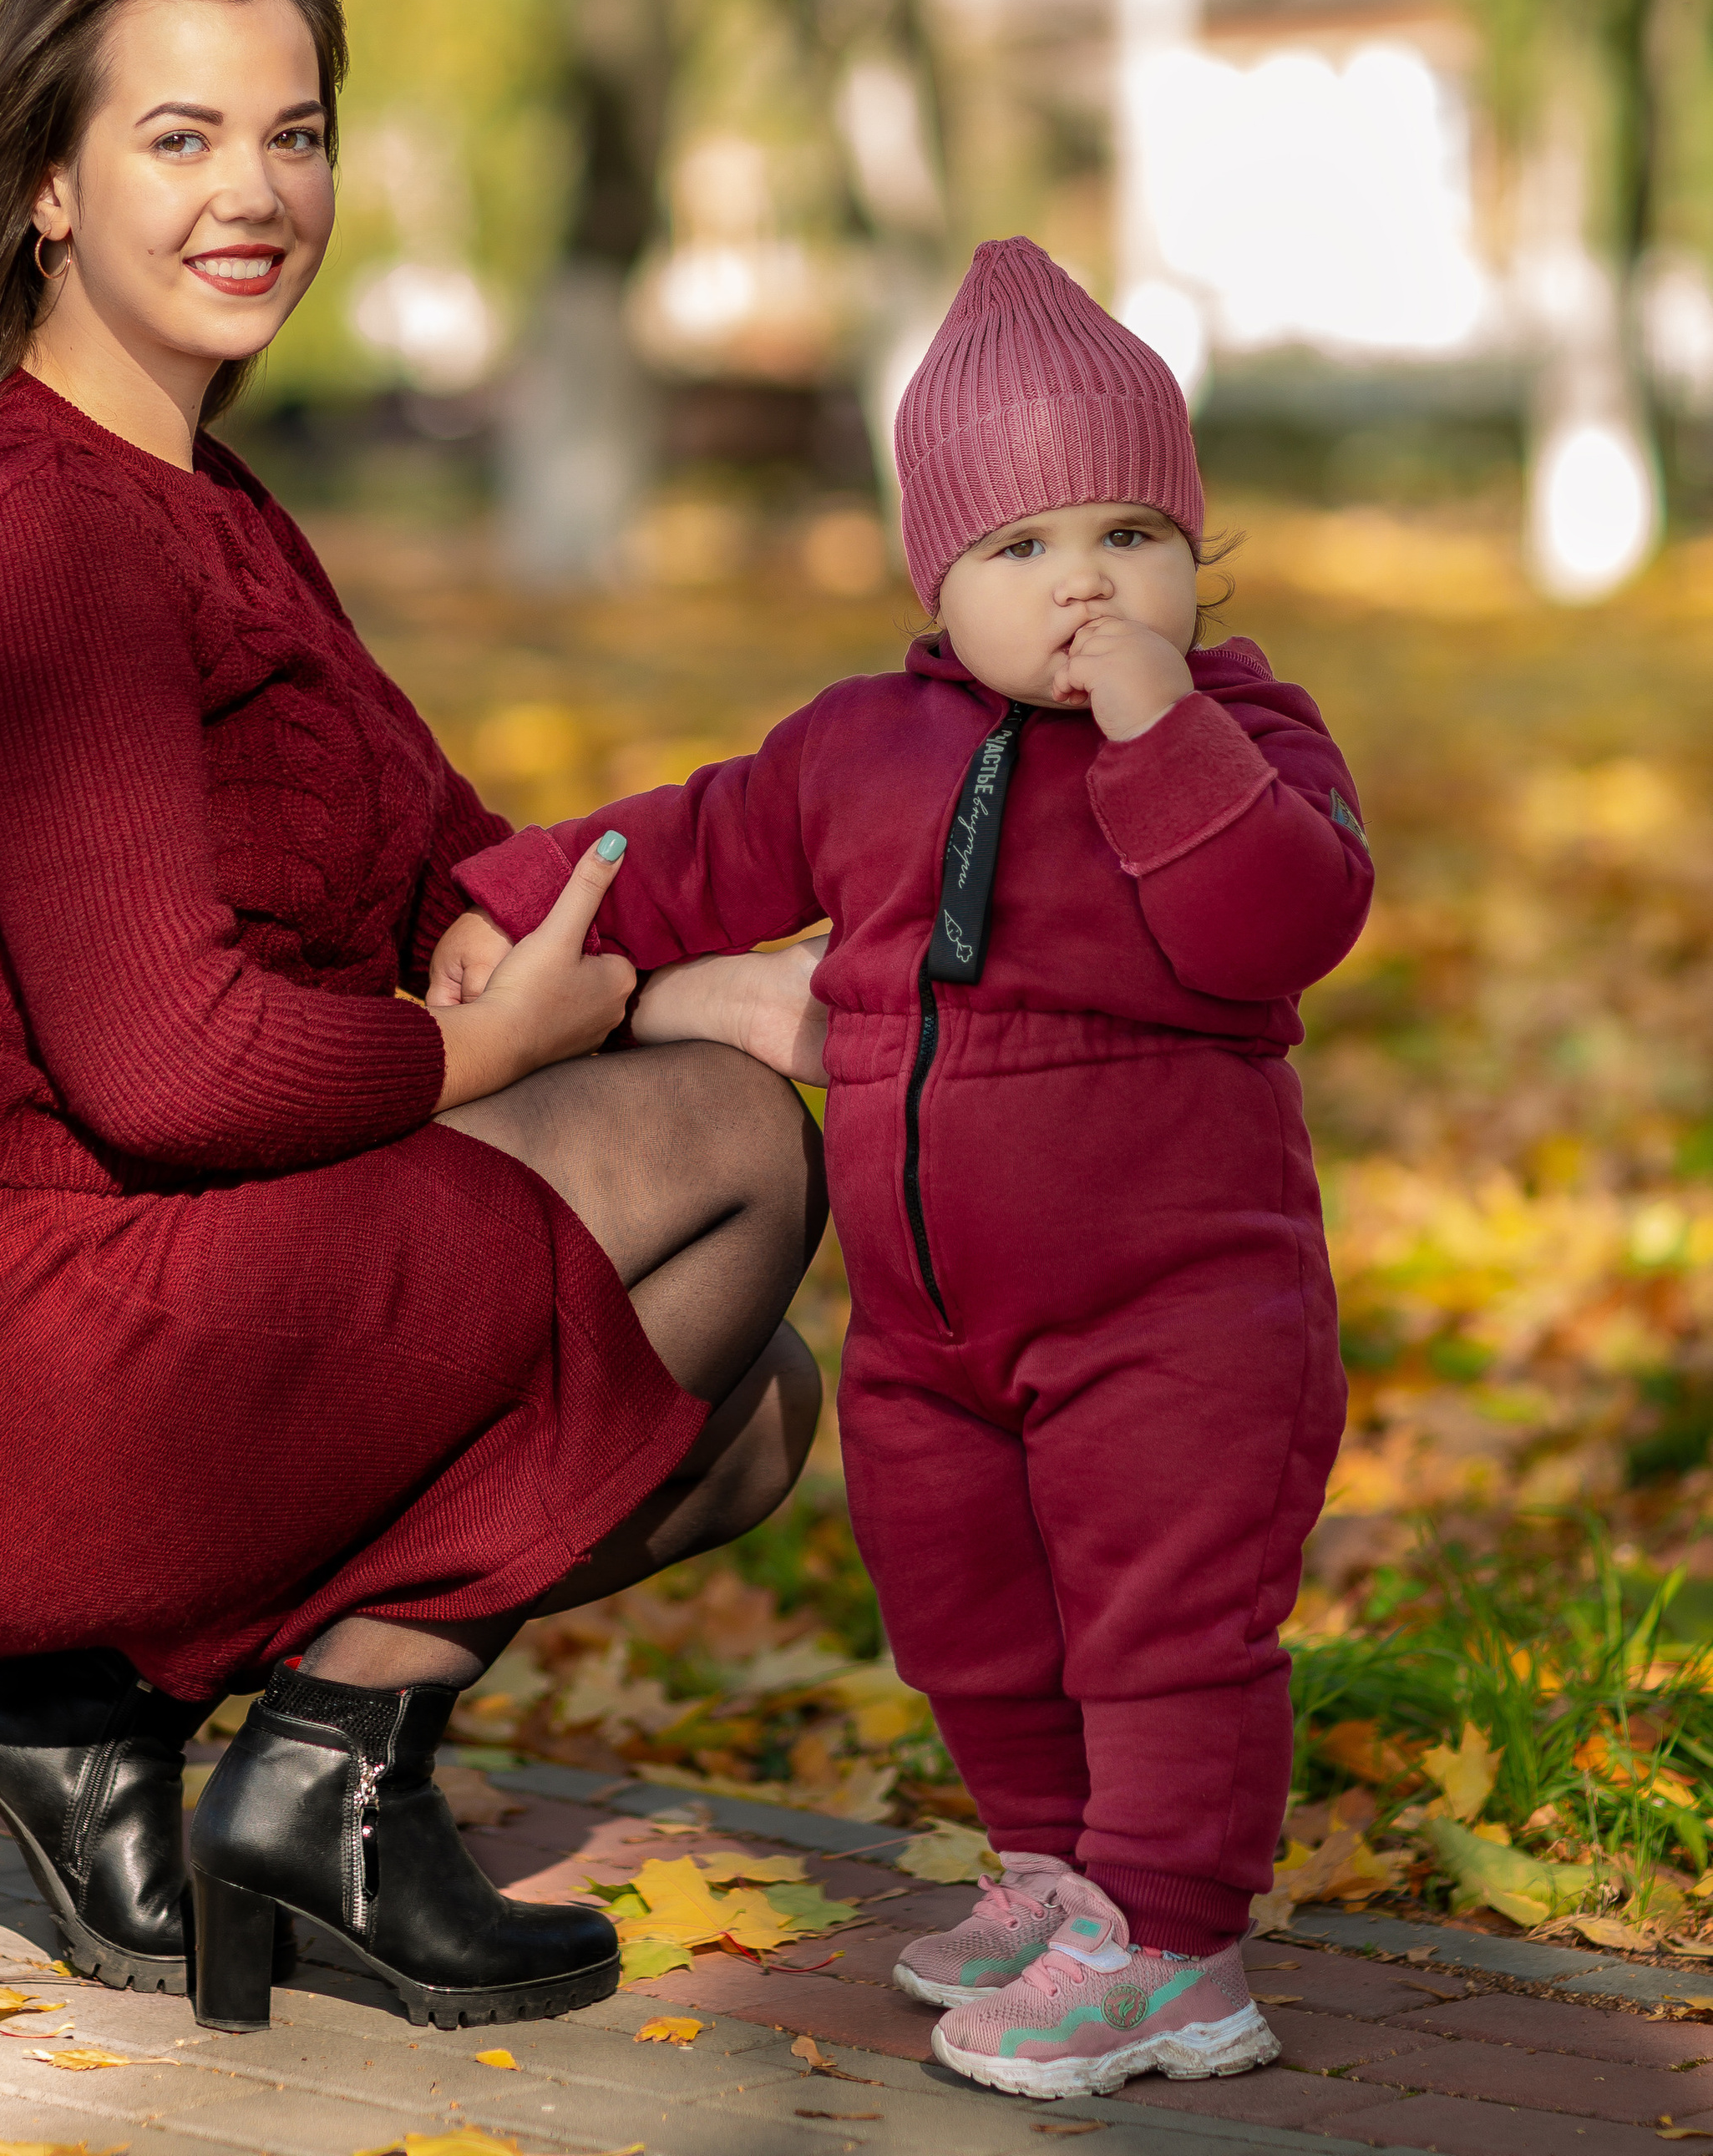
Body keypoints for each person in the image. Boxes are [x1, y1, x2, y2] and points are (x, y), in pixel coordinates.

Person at [0, 0, 825, 2037]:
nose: (258, 190)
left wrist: (750, 958)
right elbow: (166, 1061)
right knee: (730, 1158)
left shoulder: (209, 501)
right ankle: (324, 1794)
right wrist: (502, 1058)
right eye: (181, 136)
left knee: (729, 1413)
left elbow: (456, 869)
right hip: (5, 1344)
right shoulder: (41, 530)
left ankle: (79, 1736)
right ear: (48, 186)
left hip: (157, 1277)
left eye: (298, 130)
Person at [431, 239, 1371, 2104]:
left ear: (1197, 556)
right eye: (1020, 548)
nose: (1083, 583)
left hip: (1181, 1311)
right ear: (933, 579)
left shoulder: (1240, 739)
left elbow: (1288, 922)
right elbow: (691, 845)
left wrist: (1160, 733)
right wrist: (506, 897)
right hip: (930, 1323)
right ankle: (1051, 1872)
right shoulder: (863, 745)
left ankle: (1175, 1947)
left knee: (1160, 1623)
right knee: (964, 1607)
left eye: (1128, 534)